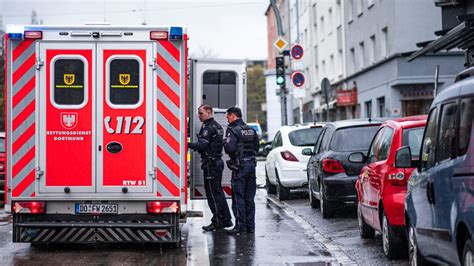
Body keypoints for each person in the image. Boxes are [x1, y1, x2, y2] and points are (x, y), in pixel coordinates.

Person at [189, 104, 233, 231]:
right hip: (216, 162)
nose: (199, 115)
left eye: (201, 113)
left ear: (209, 112)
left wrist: (188, 145)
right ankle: (226, 220)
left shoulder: (209, 128)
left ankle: (217, 221)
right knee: (218, 192)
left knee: (212, 194)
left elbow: (202, 145)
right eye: (198, 113)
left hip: (211, 164)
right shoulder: (217, 126)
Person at [223, 107, 259, 235]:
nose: (227, 119)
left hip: (240, 167)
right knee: (250, 198)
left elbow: (230, 147)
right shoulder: (251, 129)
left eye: (228, 116)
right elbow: (256, 147)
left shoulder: (232, 129)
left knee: (238, 198)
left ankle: (240, 226)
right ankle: (250, 226)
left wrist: (225, 143)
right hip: (251, 166)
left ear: (233, 116)